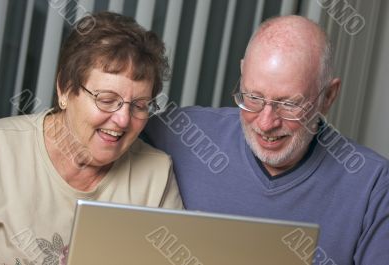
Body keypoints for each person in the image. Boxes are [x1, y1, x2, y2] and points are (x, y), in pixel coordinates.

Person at [145, 15, 389, 265]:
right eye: (253, 97)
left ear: (328, 97)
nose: (266, 123)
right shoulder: (181, 133)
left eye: (289, 104)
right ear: (242, 73)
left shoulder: (374, 184)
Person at [0, 11, 182, 265]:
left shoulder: (156, 175)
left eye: (139, 105)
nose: (123, 119)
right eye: (106, 100)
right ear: (65, 90)